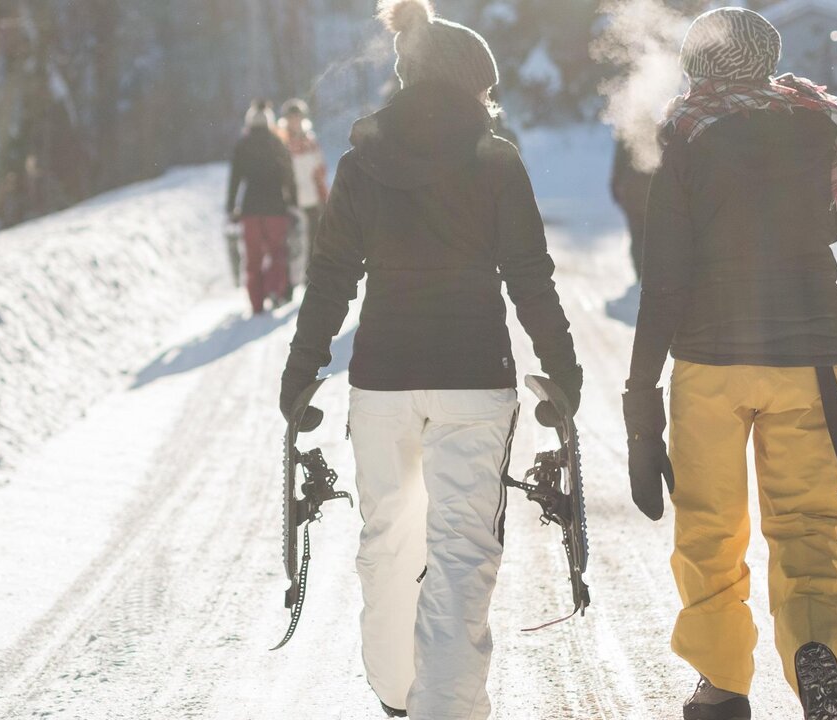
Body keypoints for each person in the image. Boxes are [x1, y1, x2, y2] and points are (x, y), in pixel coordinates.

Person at [278, 1, 581, 717]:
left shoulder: (361, 162)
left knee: (388, 543)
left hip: (382, 382)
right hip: (474, 379)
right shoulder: (496, 160)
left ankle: (398, 698)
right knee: (461, 553)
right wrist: (562, 368)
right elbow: (530, 276)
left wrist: (301, 369)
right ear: (473, 82)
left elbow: (330, 276)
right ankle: (443, 707)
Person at [621, 8, 837, 720]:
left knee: (710, 528)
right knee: (808, 528)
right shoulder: (826, 128)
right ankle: (818, 655)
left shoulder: (687, 133)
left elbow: (665, 281)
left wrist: (640, 395)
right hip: (810, 368)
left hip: (710, 369)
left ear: (697, 65)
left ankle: (721, 685)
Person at [226, 99, 297, 314]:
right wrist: (293, 202)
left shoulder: (243, 145)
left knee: (253, 257)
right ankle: (274, 289)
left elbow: (235, 179)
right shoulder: (277, 143)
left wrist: (231, 207)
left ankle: (256, 302)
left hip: (250, 209)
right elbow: (289, 175)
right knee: (277, 252)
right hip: (276, 208)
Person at [279, 99, 330, 301]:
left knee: (313, 243)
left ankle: (310, 282)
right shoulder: (282, 143)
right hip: (291, 201)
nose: (295, 121)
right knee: (292, 245)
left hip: (313, 199)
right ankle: (288, 285)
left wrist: (322, 192)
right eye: (291, 118)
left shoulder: (310, 141)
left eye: (298, 117)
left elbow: (321, 168)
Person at [610, 138, 653, 281]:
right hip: (650, 190)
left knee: (637, 234)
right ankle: (649, 272)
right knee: (652, 235)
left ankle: (640, 272)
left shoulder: (627, 132)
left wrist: (615, 187)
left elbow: (618, 163)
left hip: (631, 191)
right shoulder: (659, 128)